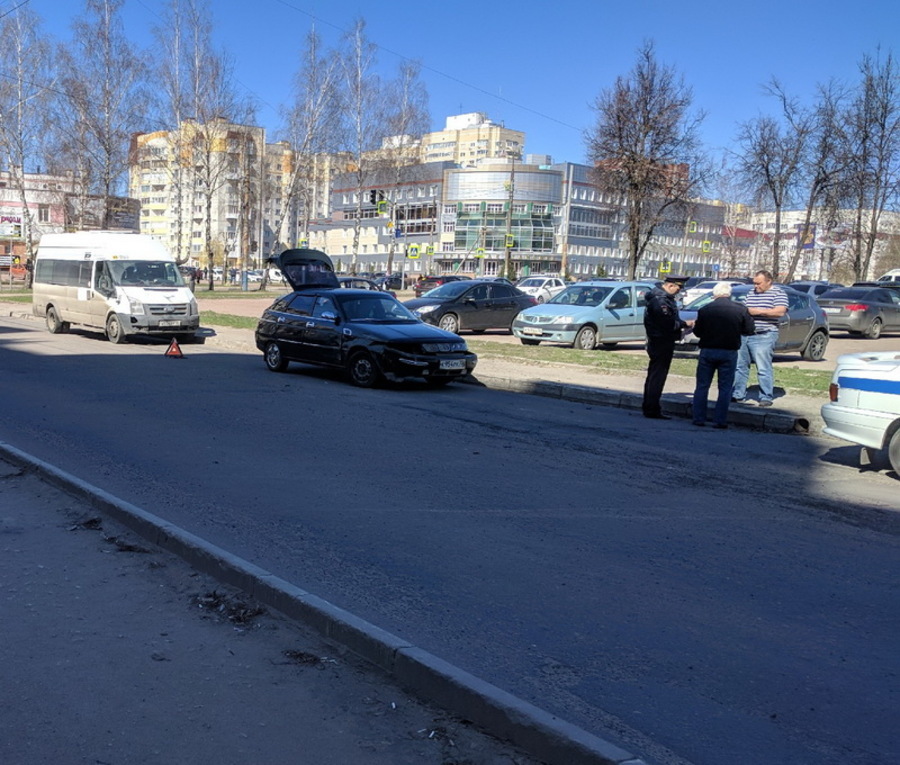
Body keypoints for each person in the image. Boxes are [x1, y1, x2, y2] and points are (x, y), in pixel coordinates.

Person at [691, 282, 755, 428]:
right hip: (729, 351)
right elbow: (750, 329)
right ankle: (720, 420)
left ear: (714, 294)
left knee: (702, 386)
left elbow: (698, 332)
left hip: (707, 350)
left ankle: (698, 418)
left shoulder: (705, 309)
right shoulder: (740, 310)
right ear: (729, 294)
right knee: (725, 388)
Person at [731, 269, 789, 407]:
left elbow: (780, 311)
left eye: (759, 283)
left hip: (764, 334)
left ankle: (765, 396)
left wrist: (758, 311)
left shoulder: (778, 293)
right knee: (740, 366)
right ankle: (738, 394)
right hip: (745, 334)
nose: (756, 286)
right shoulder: (751, 293)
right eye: (754, 283)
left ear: (769, 281)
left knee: (763, 367)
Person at [642, 275, 693, 419]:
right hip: (661, 341)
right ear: (670, 286)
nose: (679, 291)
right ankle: (652, 409)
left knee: (655, 375)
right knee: (657, 376)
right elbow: (667, 323)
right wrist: (684, 324)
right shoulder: (660, 301)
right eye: (678, 288)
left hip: (659, 340)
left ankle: (651, 407)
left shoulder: (661, 298)